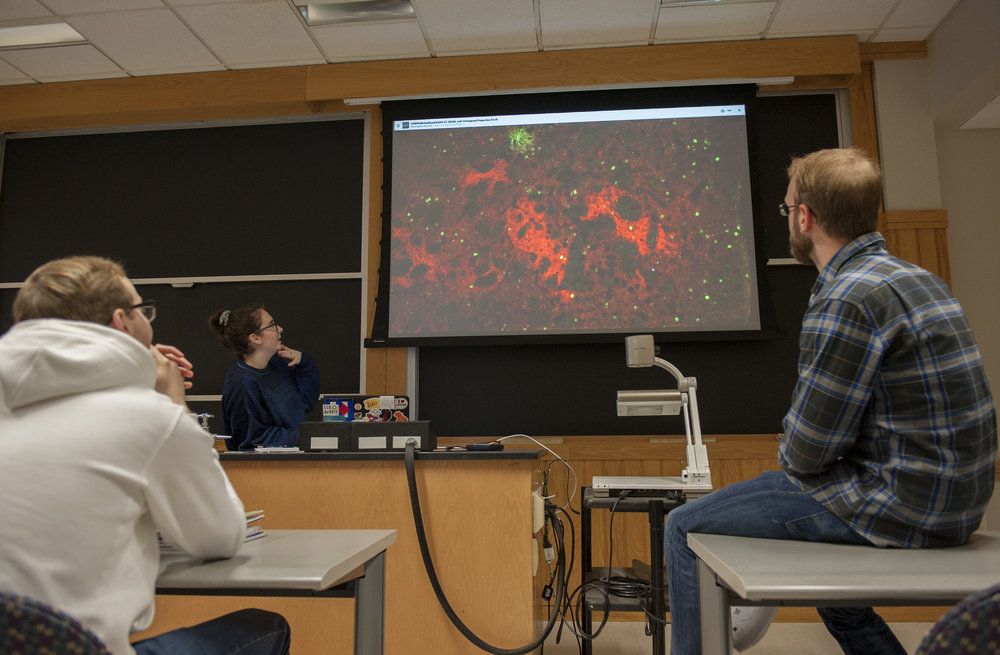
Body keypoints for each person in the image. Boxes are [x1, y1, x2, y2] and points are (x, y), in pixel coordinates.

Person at [665, 148, 997, 655]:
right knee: (818, 545)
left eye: (787, 210)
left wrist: (802, 458)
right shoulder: (919, 278)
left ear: (806, 217)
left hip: (899, 509)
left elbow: (805, 452)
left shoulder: (847, 297)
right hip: (960, 506)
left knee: (682, 526)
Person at [0, 256, 290, 655]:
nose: (148, 322)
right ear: (122, 321)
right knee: (265, 627)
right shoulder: (148, 417)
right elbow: (220, 537)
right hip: (86, 647)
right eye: (143, 310)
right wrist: (173, 405)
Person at [209, 305, 320, 451]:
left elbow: (304, 403)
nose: (279, 329)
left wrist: (304, 364)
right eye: (272, 325)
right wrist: (306, 436)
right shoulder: (240, 384)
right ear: (255, 338)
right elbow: (252, 439)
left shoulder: (277, 364)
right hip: (264, 468)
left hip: (295, 457)